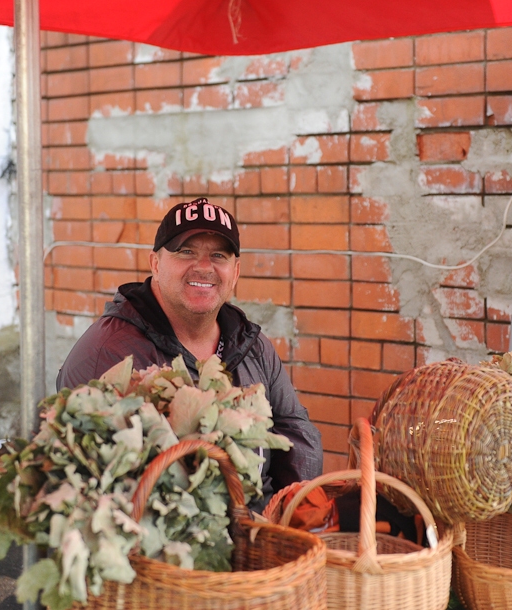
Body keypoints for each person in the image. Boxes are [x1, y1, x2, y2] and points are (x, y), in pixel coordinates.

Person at [57, 197, 323, 506]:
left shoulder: (251, 344)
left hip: (261, 525)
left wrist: (294, 514)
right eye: (186, 252)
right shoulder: (108, 353)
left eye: (218, 255)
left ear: (235, 272)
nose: (204, 267)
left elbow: (295, 433)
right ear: (156, 264)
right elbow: (88, 484)